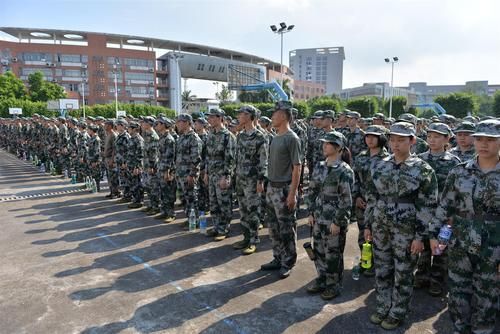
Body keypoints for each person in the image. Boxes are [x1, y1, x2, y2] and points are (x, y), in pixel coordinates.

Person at [365, 121, 438, 330]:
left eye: (401, 140)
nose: (395, 144)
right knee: (382, 268)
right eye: (393, 139)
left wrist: (420, 236)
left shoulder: (423, 169)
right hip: (380, 224)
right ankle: (382, 306)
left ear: (412, 141)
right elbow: (372, 196)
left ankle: (398, 311)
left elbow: (428, 205)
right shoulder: (380, 164)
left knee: (404, 271)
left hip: (406, 229)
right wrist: (368, 225)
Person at [429, 119, 500, 334]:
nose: (483, 144)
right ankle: (460, 328)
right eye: (479, 139)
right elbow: (445, 206)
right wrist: (435, 234)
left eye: (490, 140)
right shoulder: (459, 172)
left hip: (494, 247)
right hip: (460, 241)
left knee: (487, 295)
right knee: (458, 292)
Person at [306, 130, 354, 299]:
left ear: (339, 148)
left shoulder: (344, 170)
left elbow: (346, 200)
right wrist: (310, 212)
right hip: (319, 216)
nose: (324, 146)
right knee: (318, 249)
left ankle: (333, 285)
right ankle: (322, 278)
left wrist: (338, 222)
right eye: (324, 143)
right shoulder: (320, 166)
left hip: (333, 219)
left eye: (328, 143)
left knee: (333, 253)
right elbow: (312, 190)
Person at [415, 122, 461, 296]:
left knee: (441, 247)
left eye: (436, 137)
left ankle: (437, 281)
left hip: (444, 212)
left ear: (446, 139)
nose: (432, 140)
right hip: (423, 210)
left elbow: (457, 191)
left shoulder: (454, 162)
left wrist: (452, 214)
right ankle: (421, 276)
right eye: (429, 136)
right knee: (424, 244)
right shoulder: (420, 159)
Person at [260, 101, 302, 279]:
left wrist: (292, 194)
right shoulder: (275, 137)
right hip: (272, 188)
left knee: (286, 229)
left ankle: (288, 261)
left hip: (284, 189)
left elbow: (297, 167)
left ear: (284, 115)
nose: (272, 116)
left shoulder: (292, 138)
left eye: (275, 113)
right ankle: (278, 257)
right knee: (273, 228)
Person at [352, 125, 390, 277]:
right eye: (367, 136)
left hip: (380, 203)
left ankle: (378, 263)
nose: (370, 139)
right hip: (363, 202)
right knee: (363, 233)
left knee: (379, 233)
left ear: (381, 138)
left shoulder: (388, 159)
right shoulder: (361, 156)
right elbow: (354, 179)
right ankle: (366, 260)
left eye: (374, 136)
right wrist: (356, 196)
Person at [233, 105, 268, 253]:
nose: (239, 116)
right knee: (243, 209)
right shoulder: (240, 135)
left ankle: (253, 240)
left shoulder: (260, 136)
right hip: (240, 177)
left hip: (253, 180)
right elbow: (237, 158)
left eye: (242, 113)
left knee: (253, 210)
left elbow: (264, 160)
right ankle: (246, 237)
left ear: (249, 116)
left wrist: (261, 180)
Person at [204, 108, 237, 241]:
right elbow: (208, 156)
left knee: (224, 202)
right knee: (213, 203)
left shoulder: (228, 136)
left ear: (220, 118)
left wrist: (226, 176)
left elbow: (230, 159)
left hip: (222, 175)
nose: (209, 120)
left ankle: (224, 228)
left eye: (212, 117)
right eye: (209, 117)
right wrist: (206, 172)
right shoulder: (211, 134)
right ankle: (217, 226)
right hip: (212, 174)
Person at [175, 114, 203, 220]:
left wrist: (192, 174)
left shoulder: (194, 138)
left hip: (188, 174)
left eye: (179, 122)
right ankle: (189, 218)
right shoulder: (181, 137)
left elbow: (196, 159)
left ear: (187, 123)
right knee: (183, 198)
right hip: (180, 173)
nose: (177, 124)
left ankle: (194, 220)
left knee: (191, 198)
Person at [155, 117, 177, 223]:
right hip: (161, 168)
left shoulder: (169, 139)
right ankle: (164, 211)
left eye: (158, 123)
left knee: (169, 192)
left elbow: (170, 157)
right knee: (163, 192)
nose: (156, 125)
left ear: (164, 125)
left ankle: (170, 213)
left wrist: (167, 171)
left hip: (167, 170)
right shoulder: (162, 137)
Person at [127, 121, 145, 209]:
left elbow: (140, 154)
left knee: (137, 183)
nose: (128, 129)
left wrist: (137, 167)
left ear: (134, 129)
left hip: (136, 166)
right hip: (131, 164)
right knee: (133, 183)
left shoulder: (139, 139)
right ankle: (135, 200)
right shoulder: (131, 138)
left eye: (130, 128)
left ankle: (139, 201)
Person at [103, 119, 120, 199]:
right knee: (110, 177)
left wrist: (112, 160)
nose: (104, 126)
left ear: (110, 126)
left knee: (113, 177)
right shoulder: (108, 134)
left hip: (111, 159)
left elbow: (115, 149)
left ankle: (116, 192)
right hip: (107, 158)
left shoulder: (113, 135)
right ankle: (112, 191)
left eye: (106, 124)